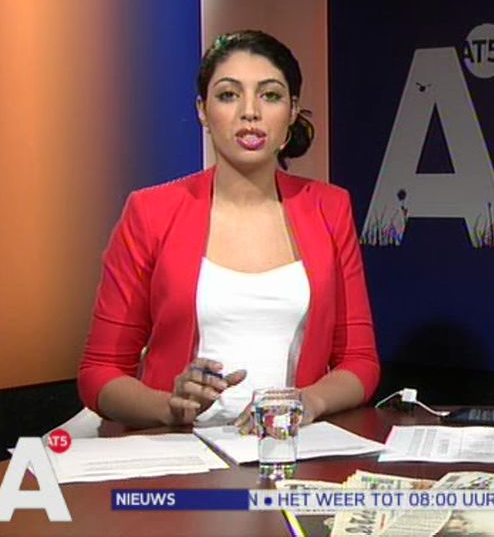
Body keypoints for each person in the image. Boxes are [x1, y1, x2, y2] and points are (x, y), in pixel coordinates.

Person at [78, 30, 379, 431]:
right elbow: (100, 372)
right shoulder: (150, 211)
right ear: (202, 110)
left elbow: (359, 361)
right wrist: (169, 406)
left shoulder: (329, 207)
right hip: (179, 448)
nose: (249, 112)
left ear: (292, 111)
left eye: (269, 95)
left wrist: (306, 402)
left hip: (289, 444)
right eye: (228, 95)